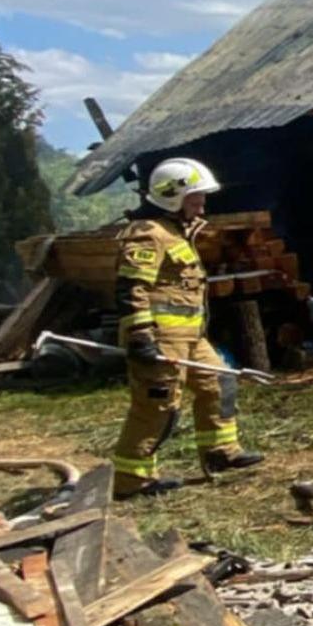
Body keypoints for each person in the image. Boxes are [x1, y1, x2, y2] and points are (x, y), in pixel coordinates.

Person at [110, 158, 263, 497]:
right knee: (158, 405)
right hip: (161, 340)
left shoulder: (176, 232)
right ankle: (131, 479)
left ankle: (220, 452)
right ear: (172, 197)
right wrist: (140, 336)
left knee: (220, 382)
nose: (202, 204)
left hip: (191, 338)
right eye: (195, 198)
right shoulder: (148, 235)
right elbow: (131, 288)